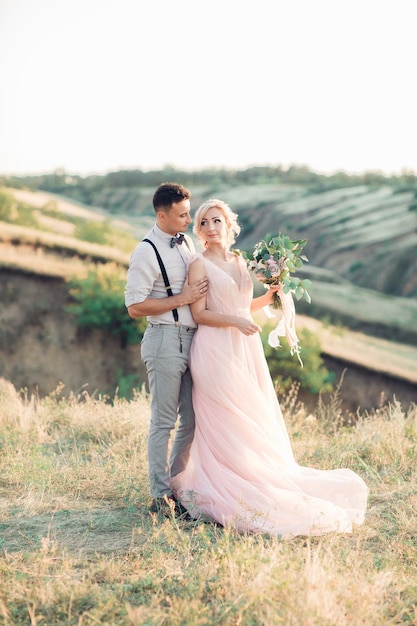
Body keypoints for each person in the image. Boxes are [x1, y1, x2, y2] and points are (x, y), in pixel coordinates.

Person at [171, 199, 369, 537]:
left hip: (244, 346)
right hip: (214, 349)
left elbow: (243, 306)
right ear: (199, 230)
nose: (210, 227)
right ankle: (227, 484)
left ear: (229, 225)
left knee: (251, 415)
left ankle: (254, 474)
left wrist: (272, 295)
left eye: (216, 221)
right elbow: (200, 313)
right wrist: (236, 321)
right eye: (203, 223)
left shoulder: (239, 261)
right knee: (227, 417)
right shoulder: (198, 265)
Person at [125, 182, 208, 517]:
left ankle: (177, 487)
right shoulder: (145, 251)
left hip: (194, 341)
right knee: (164, 421)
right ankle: (159, 497)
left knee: (192, 418)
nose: (189, 220)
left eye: (189, 212)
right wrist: (182, 300)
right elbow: (134, 306)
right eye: (182, 215)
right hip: (164, 340)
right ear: (162, 215)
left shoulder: (186, 241)